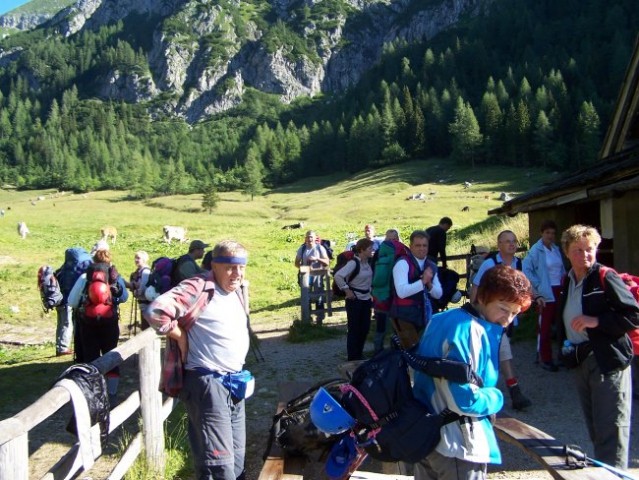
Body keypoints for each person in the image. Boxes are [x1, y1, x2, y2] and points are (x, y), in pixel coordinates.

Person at [413, 265, 533, 480]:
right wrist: (496, 397)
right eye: (503, 309)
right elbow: (465, 401)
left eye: (515, 313)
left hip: (424, 435)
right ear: (483, 297)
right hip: (457, 444)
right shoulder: (472, 331)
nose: (507, 320)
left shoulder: (441, 319)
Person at [145, 240, 252, 480]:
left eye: (241, 267)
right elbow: (155, 311)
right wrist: (179, 335)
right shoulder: (199, 286)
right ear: (214, 265)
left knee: (236, 461)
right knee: (218, 466)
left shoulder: (233, 290)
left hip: (234, 383)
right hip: (207, 383)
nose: (237, 273)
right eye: (230, 267)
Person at [557, 225, 639, 470]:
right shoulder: (568, 279)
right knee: (596, 426)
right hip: (580, 359)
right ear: (567, 252)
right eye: (578, 250)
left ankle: (613, 475)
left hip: (606, 360)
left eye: (589, 249)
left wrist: (597, 321)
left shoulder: (605, 276)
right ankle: (604, 473)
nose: (585, 255)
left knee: (611, 428)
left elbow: (633, 315)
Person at [470, 230, 532, 410]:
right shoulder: (489, 264)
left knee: (500, 351)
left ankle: (491, 389)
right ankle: (513, 392)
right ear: (499, 245)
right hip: (489, 317)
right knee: (502, 351)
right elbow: (476, 288)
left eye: (514, 241)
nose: (512, 244)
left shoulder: (519, 263)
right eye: (507, 242)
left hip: (509, 316)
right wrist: (478, 311)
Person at [68, 248, 128, 405]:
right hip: (109, 324)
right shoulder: (114, 276)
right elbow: (124, 297)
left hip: (88, 324)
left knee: (90, 358)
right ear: (109, 260)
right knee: (111, 357)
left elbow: (72, 301)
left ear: (93, 260)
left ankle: (94, 395)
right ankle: (112, 394)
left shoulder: (85, 277)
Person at [523, 220, 566, 371]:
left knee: (561, 324)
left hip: (559, 289)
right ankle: (545, 358)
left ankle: (562, 355)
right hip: (546, 292)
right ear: (542, 233)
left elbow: (561, 269)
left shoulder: (555, 249)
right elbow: (526, 270)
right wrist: (538, 287)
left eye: (553, 233)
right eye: (547, 232)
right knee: (545, 326)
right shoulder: (536, 250)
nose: (550, 235)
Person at [390, 230, 442, 349]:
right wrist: (422, 282)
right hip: (404, 315)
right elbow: (402, 292)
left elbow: (438, 294)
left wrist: (429, 284)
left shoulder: (431, 265)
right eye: (418, 245)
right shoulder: (402, 264)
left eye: (424, 245)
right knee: (412, 352)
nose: (421, 249)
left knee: (425, 349)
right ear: (411, 246)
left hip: (424, 314)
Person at [334, 238, 375, 360]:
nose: (372, 250)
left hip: (366, 299)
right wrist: (347, 290)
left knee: (365, 328)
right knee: (354, 329)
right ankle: (353, 357)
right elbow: (338, 276)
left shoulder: (368, 263)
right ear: (362, 250)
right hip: (354, 300)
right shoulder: (353, 263)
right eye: (370, 248)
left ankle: (359, 353)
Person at [373, 228, 400, 354]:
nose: (391, 242)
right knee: (384, 323)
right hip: (385, 293)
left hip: (391, 293)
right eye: (389, 239)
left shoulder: (400, 253)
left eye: (393, 239)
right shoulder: (380, 253)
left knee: (394, 323)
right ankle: (382, 351)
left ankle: (392, 350)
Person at [295, 230, 330, 323]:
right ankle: (308, 319)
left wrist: (317, 259)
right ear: (305, 238)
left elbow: (327, 262)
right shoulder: (302, 249)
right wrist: (304, 268)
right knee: (307, 298)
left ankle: (320, 319)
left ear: (315, 238)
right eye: (307, 237)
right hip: (306, 277)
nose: (309, 239)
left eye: (311, 237)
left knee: (319, 297)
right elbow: (296, 263)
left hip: (318, 276)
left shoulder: (320, 248)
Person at [125, 250, 152, 330]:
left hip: (147, 304)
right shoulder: (139, 271)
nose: (136, 260)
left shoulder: (145, 272)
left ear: (144, 259)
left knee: (146, 327)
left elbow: (143, 288)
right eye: (135, 258)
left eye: (138, 258)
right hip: (143, 303)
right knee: (145, 326)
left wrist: (135, 291)